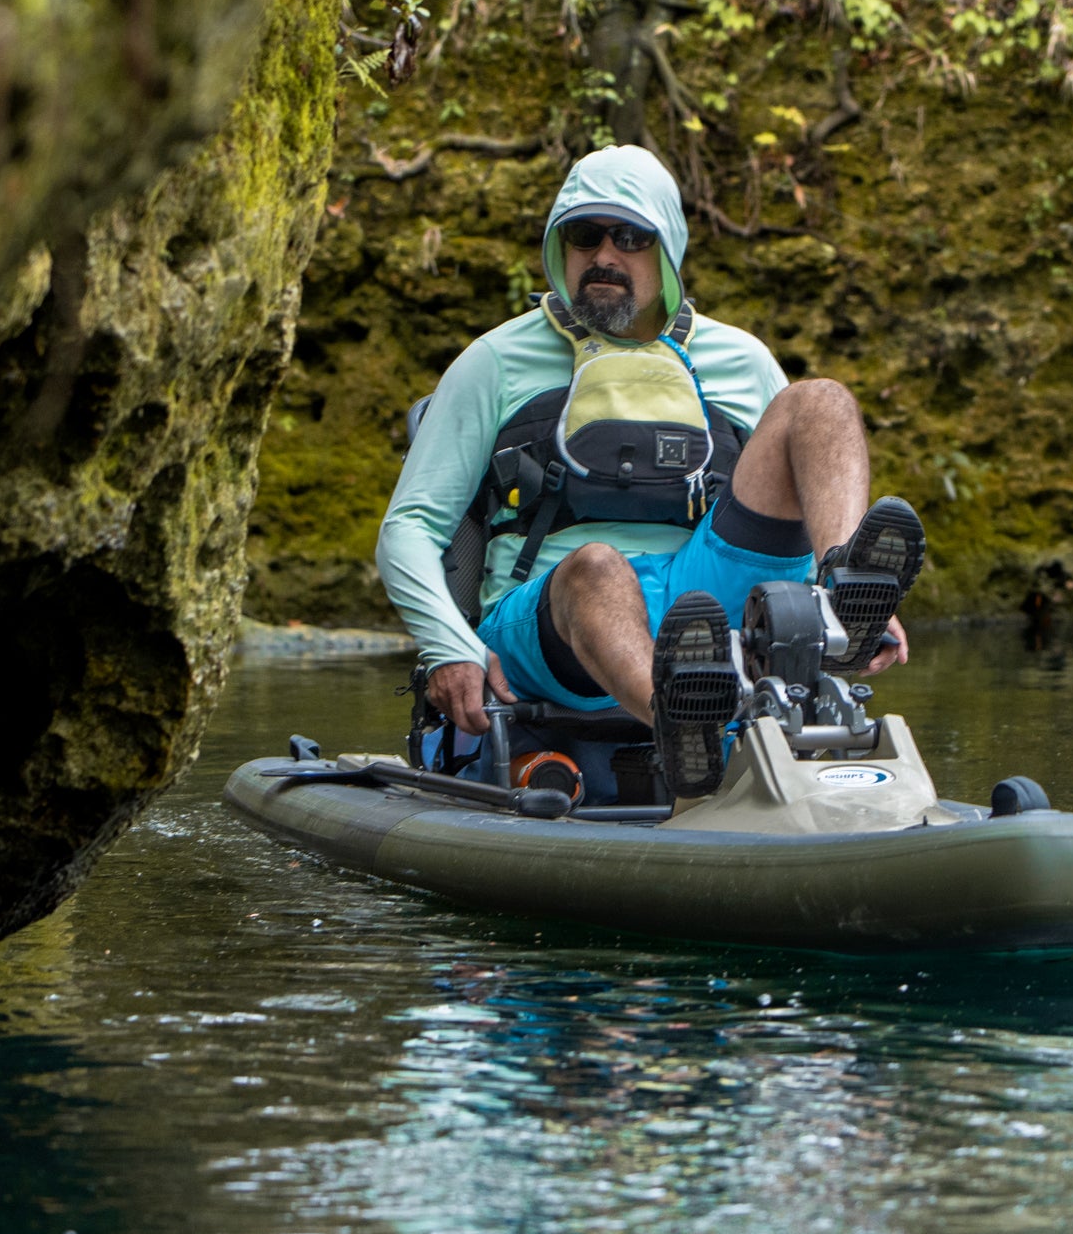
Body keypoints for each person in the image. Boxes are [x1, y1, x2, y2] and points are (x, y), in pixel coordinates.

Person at [375, 144, 923, 799]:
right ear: (561, 249)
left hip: (702, 598)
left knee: (823, 402)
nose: (604, 254)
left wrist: (826, 604)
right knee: (598, 568)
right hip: (552, 617)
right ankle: (684, 727)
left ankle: (844, 594)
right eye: (585, 235)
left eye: (630, 236)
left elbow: (801, 491)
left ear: (665, 253)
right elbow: (408, 526)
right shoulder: (495, 362)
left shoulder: (741, 361)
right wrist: (448, 645)